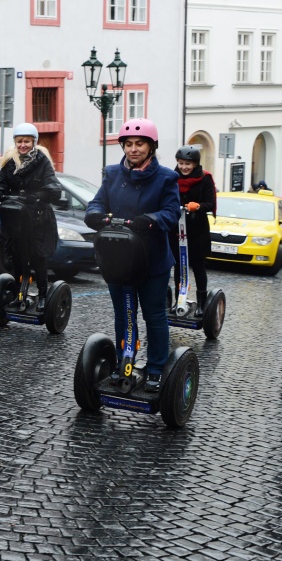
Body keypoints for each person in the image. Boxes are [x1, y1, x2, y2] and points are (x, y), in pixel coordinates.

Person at [84, 119, 180, 392]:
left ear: (151, 147)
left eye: (140, 144)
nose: (133, 149)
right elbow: (98, 201)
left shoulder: (166, 178)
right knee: (124, 314)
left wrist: (150, 219)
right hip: (119, 258)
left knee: (154, 315)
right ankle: (124, 363)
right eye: (129, 144)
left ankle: (155, 369)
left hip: (153, 261)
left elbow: (172, 213)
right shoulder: (113, 174)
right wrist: (94, 214)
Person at [0, 122, 62, 309]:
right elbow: (0, 183)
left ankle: (43, 295)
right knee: (17, 257)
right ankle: (20, 294)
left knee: (38, 258)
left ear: (34, 142)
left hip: (38, 219)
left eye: (27, 141)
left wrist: (38, 196)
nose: (23, 145)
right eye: (20, 141)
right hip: (16, 220)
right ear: (16, 142)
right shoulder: (11, 162)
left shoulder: (42, 161)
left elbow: (53, 186)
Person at [168, 145, 217, 310]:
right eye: (181, 163)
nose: (184, 167)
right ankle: (178, 301)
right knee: (178, 266)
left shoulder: (205, 179)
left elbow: (210, 203)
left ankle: (202, 304)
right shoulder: (172, 178)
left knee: (198, 266)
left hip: (197, 230)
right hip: (177, 229)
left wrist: (198, 206)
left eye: (188, 164)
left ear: (195, 164)